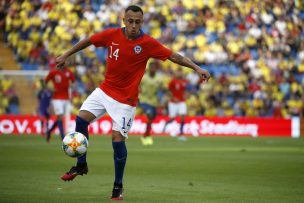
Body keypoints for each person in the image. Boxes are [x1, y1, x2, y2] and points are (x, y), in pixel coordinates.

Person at [55, 5, 210, 201]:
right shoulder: (111, 35)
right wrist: (66, 55)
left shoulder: (147, 43)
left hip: (125, 100)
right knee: (80, 120)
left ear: (142, 22)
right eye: (130, 21)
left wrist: (197, 68)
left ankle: (118, 186)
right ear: (124, 20)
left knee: (117, 140)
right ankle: (81, 164)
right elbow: (88, 41)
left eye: (138, 22)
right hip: (104, 90)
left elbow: (174, 56)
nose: (134, 25)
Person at [45, 66, 75, 142]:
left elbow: (73, 81)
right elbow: (45, 81)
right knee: (60, 117)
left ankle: (49, 131)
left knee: (60, 118)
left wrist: (71, 89)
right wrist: (50, 89)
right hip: (57, 98)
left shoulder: (68, 71)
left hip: (66, 98)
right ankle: (63, 138)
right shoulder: (53, 72)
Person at [138, 61, 162, 145]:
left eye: (154, 67)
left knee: (151, 119)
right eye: (151, 67)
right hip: (144, 100)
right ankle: (146, 135)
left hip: (153, 102)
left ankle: (146, 135)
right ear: (149, 68)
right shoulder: (144, 78)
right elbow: (138, 86)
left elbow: (162, 88)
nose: (153, 69)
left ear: (156, 69)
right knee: (150, 114)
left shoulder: (159, 79)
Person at [163, 67, 189, 141]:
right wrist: (173, 98)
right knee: (172, 118)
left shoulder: (184, 81)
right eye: (178, 72)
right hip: (173, 103)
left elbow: (186, 90)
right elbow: (168, 91)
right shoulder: (173, 81)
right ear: (176, 73)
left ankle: (181, 134)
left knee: (183, 116)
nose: (179, 73)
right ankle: (165, 126)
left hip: (181, 102)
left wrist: (186, 95)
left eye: (180, 72)